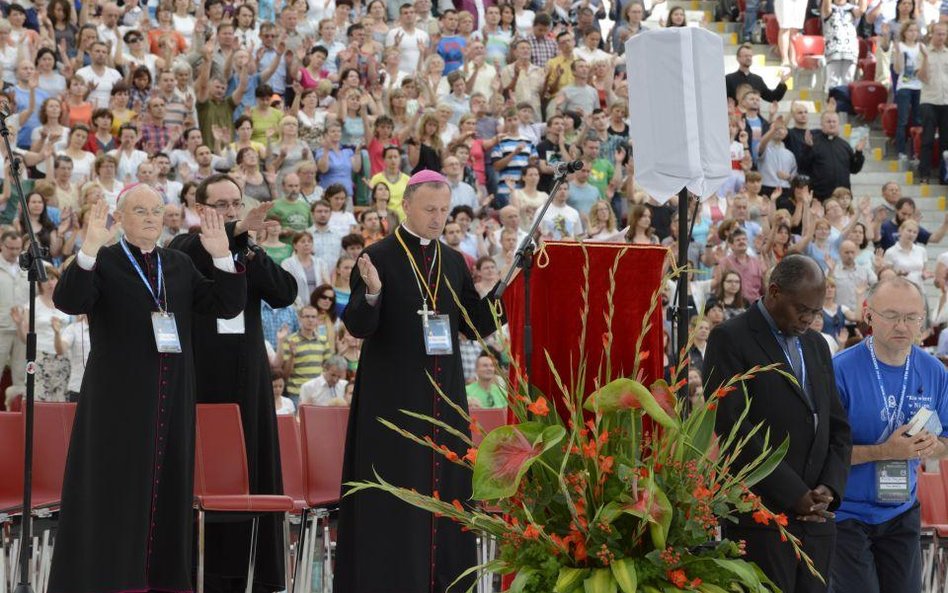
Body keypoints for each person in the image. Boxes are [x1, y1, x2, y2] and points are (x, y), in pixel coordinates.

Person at [47, 186, 246, 593]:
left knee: (168, 490)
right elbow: (70, 300)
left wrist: (222, 255)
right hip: (116, 403)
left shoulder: (178, 263)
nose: (152, 217)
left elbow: (225, 306)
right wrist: (87, 248)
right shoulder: (103, 260)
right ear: (119, 218)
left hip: (171, 401)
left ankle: (162, 583)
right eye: (141, 210)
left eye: (157, 210)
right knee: (116, 493)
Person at [335, 170, 504, 593]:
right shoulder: (377, 256)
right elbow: (358, 325)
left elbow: (475, 324)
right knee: (396, 499)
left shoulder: (452, 259)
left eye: (444, 211)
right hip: (392, 402)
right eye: (430, 209)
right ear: (405, 204)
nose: (438, 218)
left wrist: (506, 287)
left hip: (444, 400)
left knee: (445, 494)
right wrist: (372, 293)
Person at [168, 174, 297, 593]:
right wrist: (234, 232)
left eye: (235, 204)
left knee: (253, 469)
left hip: (249, 382)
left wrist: (249, 249)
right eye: (220, 204)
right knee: (204, 472)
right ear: (200, 207)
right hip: (201, 381)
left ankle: (254, 575)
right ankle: (194, 571)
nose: (229, 210)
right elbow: (195, 254)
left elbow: (285, 293)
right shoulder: (183, 249)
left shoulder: (248, 250)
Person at [703, 255, 852, 593]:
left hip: (817, 521)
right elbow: (732, 429)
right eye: (803, 310)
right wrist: (793, 493)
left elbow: (838, 427)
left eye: (816, 312)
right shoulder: (730, 338)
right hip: (762, 519)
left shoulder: (816, 345)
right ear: (774, 292)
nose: (810, 319)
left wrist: (829, 488)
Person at [831, 278, 948, 593]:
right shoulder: (839, 370)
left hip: (901, 511)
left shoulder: (935, 372)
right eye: (892, 315)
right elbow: (824, 453)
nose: (902, 325)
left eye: (912, 317)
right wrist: (885, 451)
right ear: (869, 315)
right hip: (846, 514)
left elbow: (946, 444)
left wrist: (933, 446)